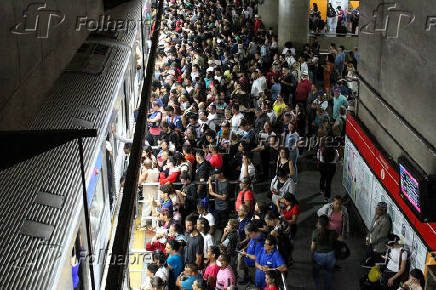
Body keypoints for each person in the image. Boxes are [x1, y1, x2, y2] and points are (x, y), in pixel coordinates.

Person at [311, 215, 343, 290]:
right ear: (328, 224)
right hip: (331, 256)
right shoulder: (333, 233)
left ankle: (319, 288)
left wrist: (312, 256)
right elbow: (341, 239)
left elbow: (312, 247)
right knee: (328, 273)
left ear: (319, 223)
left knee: (316, 274)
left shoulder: (315, 232)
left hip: (318, 256)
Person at [240, 220, 266, 285]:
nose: (248, 237)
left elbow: (257, 258)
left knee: (255, 282)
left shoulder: (260, 243)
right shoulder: (254, 237)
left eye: (248, 235)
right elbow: (250, 243)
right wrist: (245, 248)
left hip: (254, 267)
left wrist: (246, 254)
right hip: (249, 264)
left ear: (253, 232)